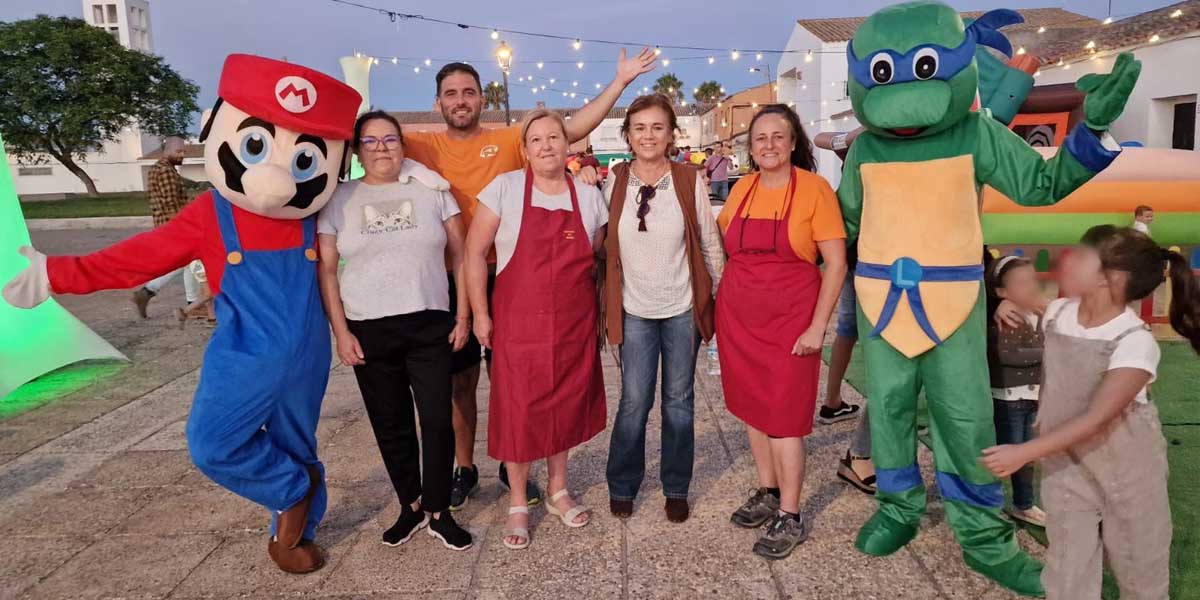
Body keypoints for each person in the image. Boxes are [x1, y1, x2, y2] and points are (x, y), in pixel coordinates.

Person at [402, 52, 656, 510]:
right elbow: (368, 140)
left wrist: (619, 82)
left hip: (518, 277)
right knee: (464, 385)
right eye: (450, 94)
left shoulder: (509, 141)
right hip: (456, 274)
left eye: (468, 92)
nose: (460, 101)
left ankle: (517, 468)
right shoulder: (420, 144)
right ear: (438, 103)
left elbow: (573, 128)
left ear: (482, 98)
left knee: (531, 388)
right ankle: (465, 467)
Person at [982, 225, 1200, 600]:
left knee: (1139, 566)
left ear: (1109, 279)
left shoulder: (1135, 342)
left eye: (1082, 256)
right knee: (1067, 567)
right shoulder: (1059, 313)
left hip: (1128, 471)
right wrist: (1001, 302)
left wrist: (1024, 451)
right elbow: (1022, 294)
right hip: (1067, 467)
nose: (1069, 259)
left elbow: (1097, 418)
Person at [316, 111, 473, 551]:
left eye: (390, 139)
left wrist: (462, 316)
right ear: (357, 150)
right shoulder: (339, 199)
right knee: (391, 423)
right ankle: (411, 503)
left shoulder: (432, 189)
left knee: (438, 419)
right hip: (368, 328)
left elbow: (461, 256)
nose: (382, 147)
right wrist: (340, 331)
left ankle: (440, 511)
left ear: (402, 144)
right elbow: (328, 271)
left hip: (429, 324)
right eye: (371, 141)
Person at [465, 109, 609, 550]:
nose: (546, 145)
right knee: (519, 409)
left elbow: (598, 254)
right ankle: (517, 501)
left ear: (568, 146)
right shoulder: (504, 188)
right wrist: (480, 314)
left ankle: (558, 490)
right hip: (517, 322)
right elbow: (473, 253)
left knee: (565, 404)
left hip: (573, 322)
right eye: (537, 140)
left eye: (554, 137)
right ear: (525, 150)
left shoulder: (587, 196)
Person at [716, 104, 847, 560]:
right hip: (739, 322)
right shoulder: (743, 188)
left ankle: (790, 514)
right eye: (760, 138)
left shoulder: (815, 190)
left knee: (786, 420)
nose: (768, 145)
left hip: (792, 324)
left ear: (794, 143)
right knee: (753, 411)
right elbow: (724, 246)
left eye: (778, 136)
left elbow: (835, 263)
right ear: (750, 149)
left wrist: (817, 326)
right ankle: (768, 491)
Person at [602, 94, 725, 523]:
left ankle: (676, 486)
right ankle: (622, 483)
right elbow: (601, 246)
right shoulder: (613, 181)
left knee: (679, 401)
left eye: (657, 127)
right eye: (639, 128)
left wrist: (721, 300)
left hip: (681, 309)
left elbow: (710, 243)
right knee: (634, 401)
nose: (648, 135)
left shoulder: (689, 180)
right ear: (628, 136)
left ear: (671, 134)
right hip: (634, 310)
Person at [984, 255, 1045, 527]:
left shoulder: (1037, 314)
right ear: (1000, 292)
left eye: (1032, 280)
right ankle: (989, 505)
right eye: (1020, 283)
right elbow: (1006, 354)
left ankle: (1024, 503)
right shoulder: (1007, 317)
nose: (1030, 287)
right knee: (1005, 454)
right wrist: (1046, 353)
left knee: (1027, 455)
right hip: (1009, 400)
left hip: (1031, 397)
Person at [131, 136, 201, 318]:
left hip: (165, 225)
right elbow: (172, 205)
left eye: (183, 151)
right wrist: (188, 225)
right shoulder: (166, 172)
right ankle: (147, 291)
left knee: (188, 263)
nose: (182, 155)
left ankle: (191, 302)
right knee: (188, 261)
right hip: (173, 225)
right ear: (168, 151)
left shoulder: (160, 169)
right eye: (179, 151)